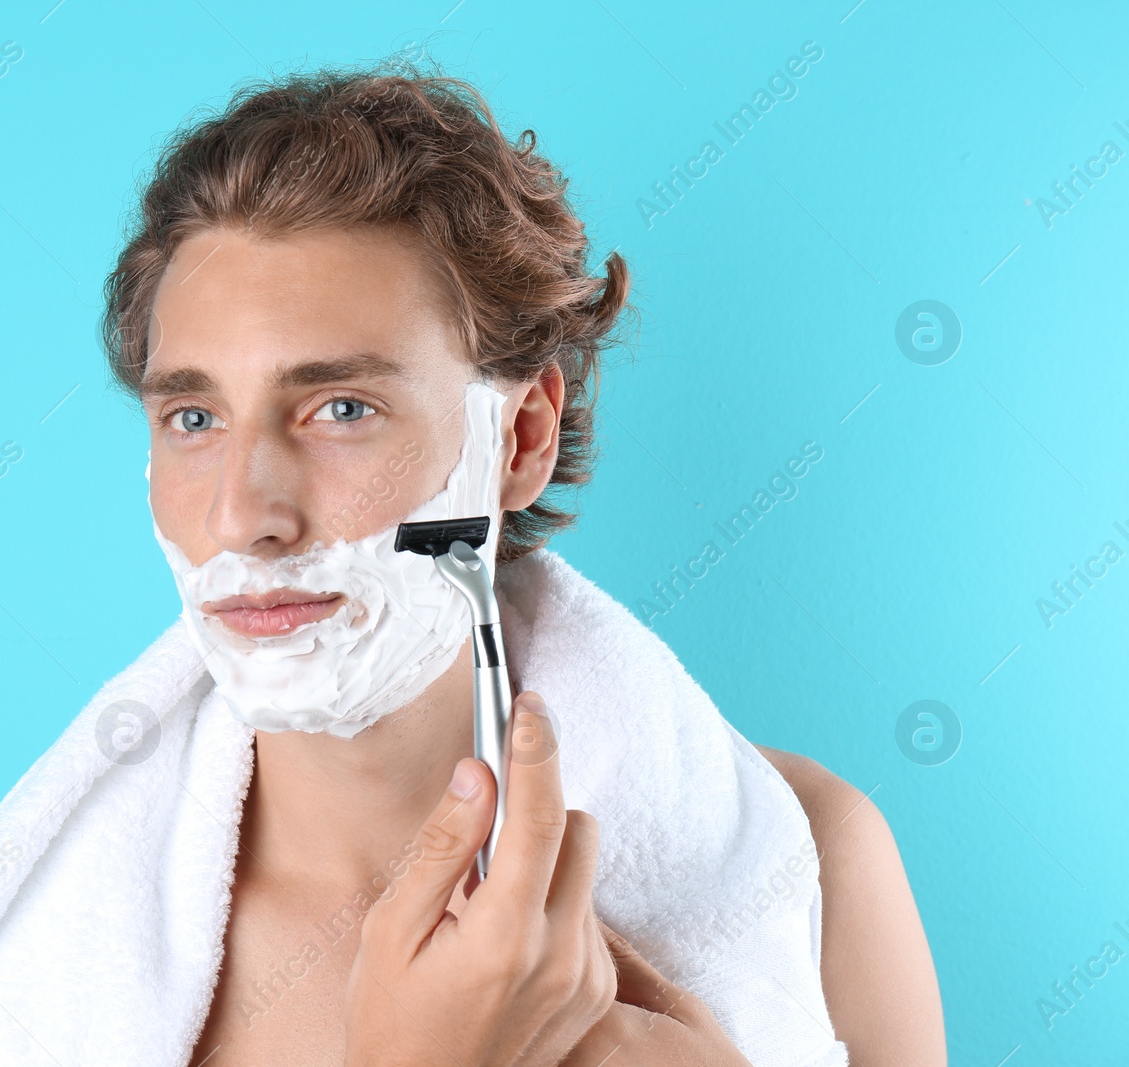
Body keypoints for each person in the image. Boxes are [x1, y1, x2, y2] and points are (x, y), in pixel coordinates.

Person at [107, 63, 944, 1066]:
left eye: (341, 408)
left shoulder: (810, 859)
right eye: (192, 417)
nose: (244, 513)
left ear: (519, 438)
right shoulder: (58, 961)